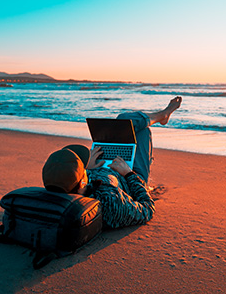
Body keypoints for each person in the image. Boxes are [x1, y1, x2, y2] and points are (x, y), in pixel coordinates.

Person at [42, 96, 182, 229]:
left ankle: (161, 116)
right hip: (130, 175)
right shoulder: (109, 203)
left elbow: (72, 185)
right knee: (138, 129)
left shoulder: (62, 184)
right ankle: (163, 115)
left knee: (124, 123)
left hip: (104, 169)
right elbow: (147, 209)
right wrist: (128, 174)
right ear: (81, 183)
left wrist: (89, 169)